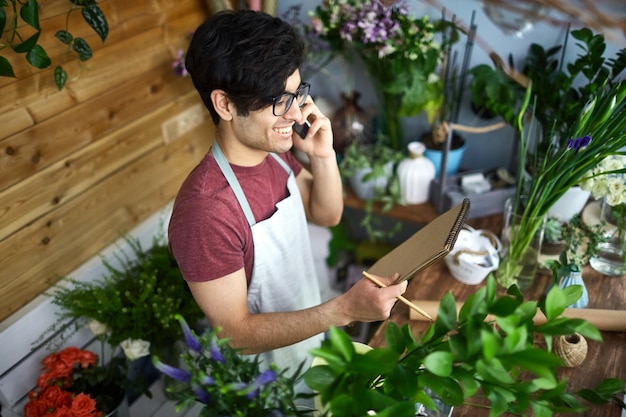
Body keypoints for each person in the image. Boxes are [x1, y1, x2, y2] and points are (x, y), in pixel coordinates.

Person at [167, 9, 408, 390]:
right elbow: (235, 333)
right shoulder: (205, 212)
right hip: (265, 388)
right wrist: (345, 309)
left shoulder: (275, 152)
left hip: (311, 347)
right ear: (225, 105)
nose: (296, 114)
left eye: (297, 92)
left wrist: (323, 156)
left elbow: (326, 214)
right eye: (278, 101)